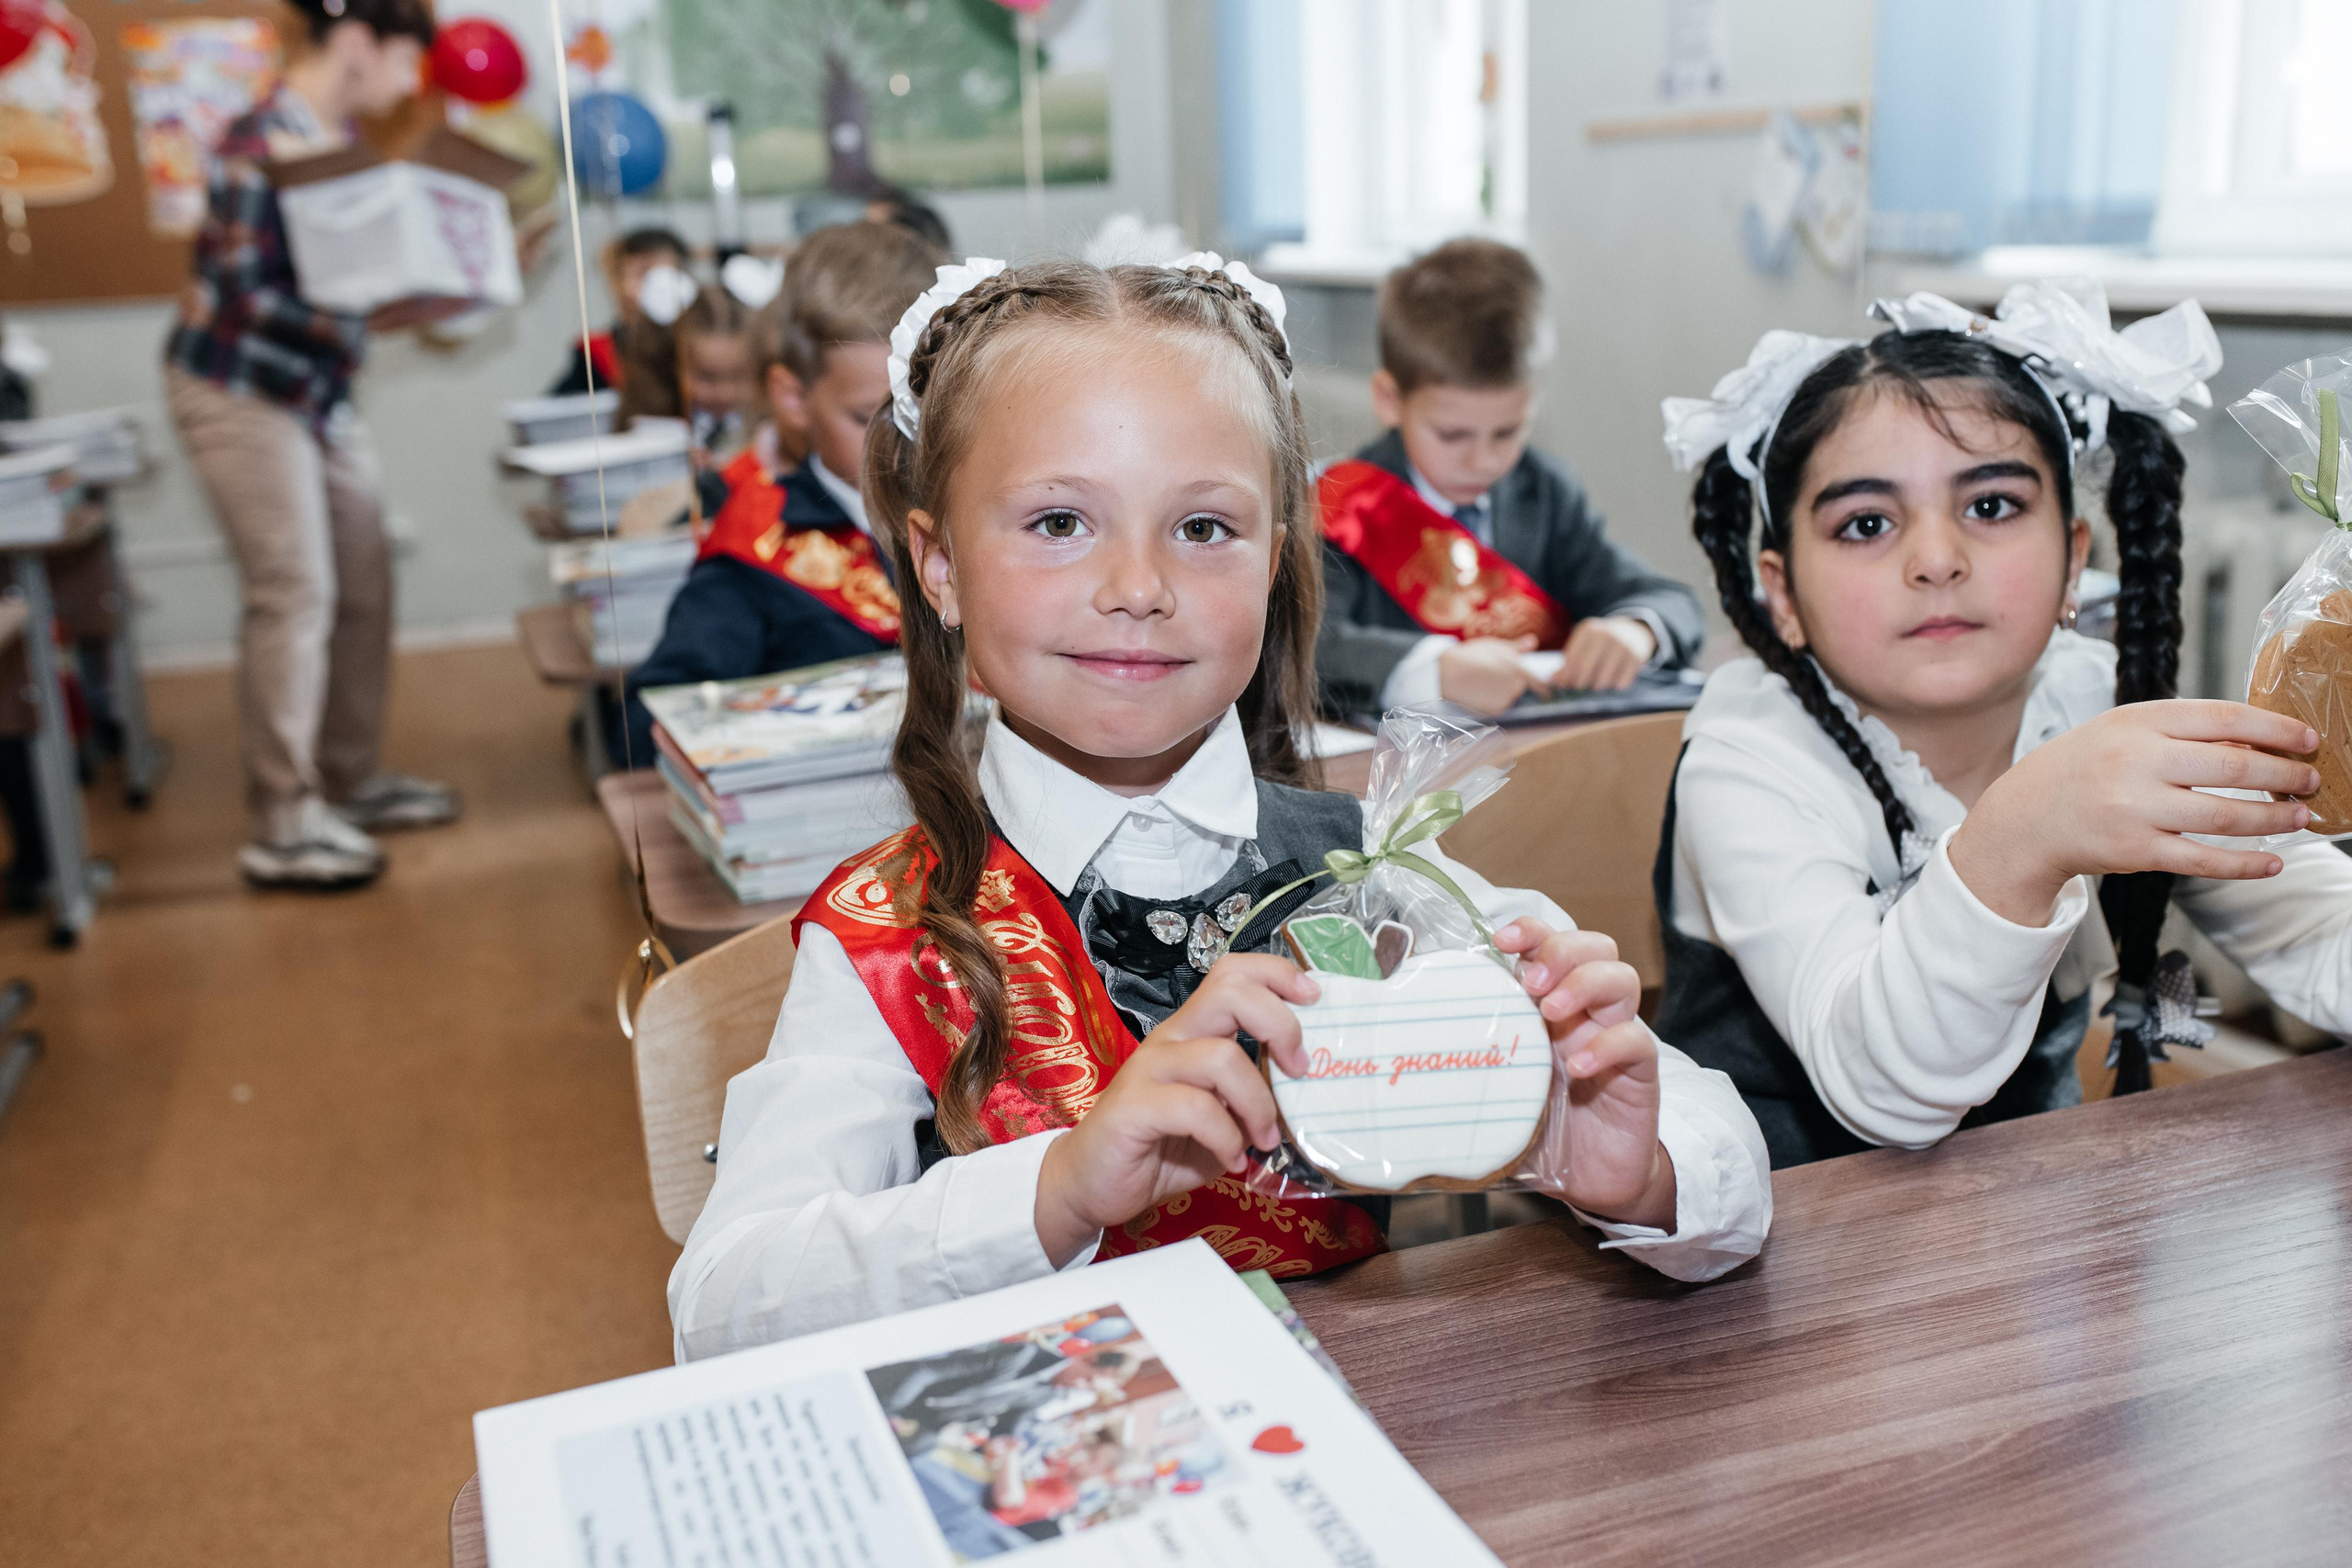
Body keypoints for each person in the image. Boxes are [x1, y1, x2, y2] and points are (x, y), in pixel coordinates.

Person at [667, 254, 1770, 1357]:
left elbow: (1729, 1186)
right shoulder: (889, 943)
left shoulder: (1370, 878)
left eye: (1203, 530)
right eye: (1059, 522)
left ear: (1273, 562)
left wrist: (1636, 1172)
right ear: (939, 564)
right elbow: (721, 1308)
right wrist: (1055, 1189)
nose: (1139, 586)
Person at [1656, 282, 2352, 1168]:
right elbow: (1882, 1088)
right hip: (1778, 1256)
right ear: (1783, 595)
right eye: (1867, 523)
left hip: (2033, 1233)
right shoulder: (1749, 754)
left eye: (1991, 506)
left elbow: (2318, 932)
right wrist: (2029, 829)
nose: (1938, 560)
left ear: (2073, 561)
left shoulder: (2097, 702)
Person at [162, 0, 459, 891]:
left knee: (365, 579)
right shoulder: (262, 141)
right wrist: (375, 310)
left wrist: (418, 297)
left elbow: (334, 294)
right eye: (410, 60)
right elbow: (253, 300)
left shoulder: (333, 139)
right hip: (238, 389)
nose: (414, 83)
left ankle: (348, 779)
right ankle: (283, 820)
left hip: (311, 391)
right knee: (294, 589)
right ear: (361, 42)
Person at [1316, 239, 1704, 718]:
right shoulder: (1342, 507)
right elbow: (1308, 648)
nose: (1484, 461)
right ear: (1390, 400)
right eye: (1454, 434)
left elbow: (1671, 600)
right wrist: (1434, 671)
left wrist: (1636, 629)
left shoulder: (1543, 491)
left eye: (1508, 431)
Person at [612, 222, 942, 763]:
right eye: (872, 418)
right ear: (792, 399)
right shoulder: (757, 552)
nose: (912, 442)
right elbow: (650, 717)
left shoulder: (988, 519)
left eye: (935, 410)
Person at [547, 226, 689, 399]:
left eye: (647, 273)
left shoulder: (703, 346)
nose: (628, 288)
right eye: (622, 275)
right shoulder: (596, 354)